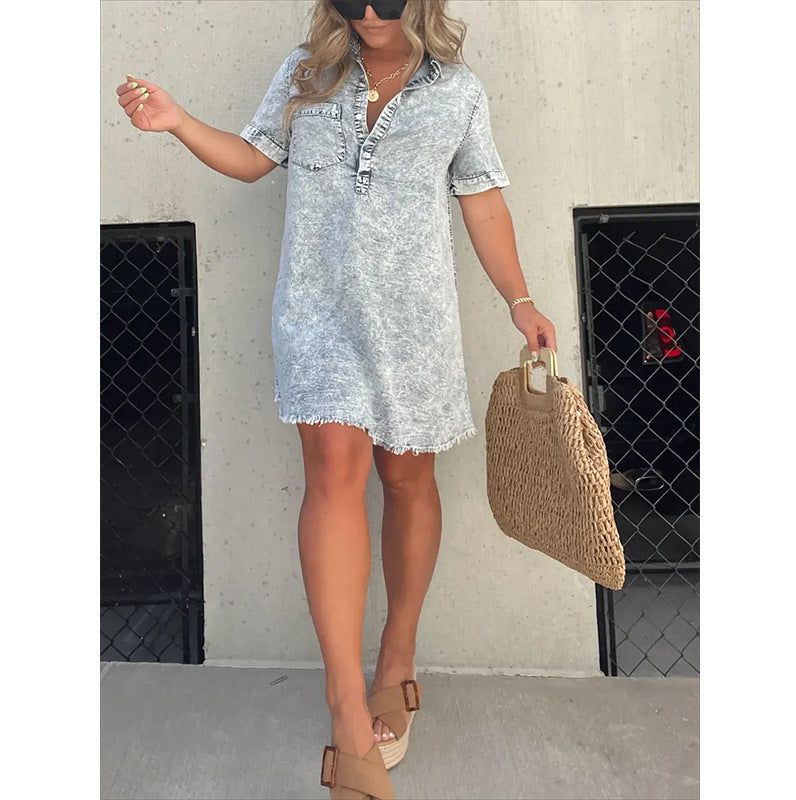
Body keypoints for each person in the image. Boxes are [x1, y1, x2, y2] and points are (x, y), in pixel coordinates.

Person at [116, 1, 556, 796]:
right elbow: (254, 158)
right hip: (316, 313)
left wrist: (520, 300)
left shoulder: (459, 91)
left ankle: (397, 657)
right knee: (332, 469)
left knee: (407, 479)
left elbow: (483, 200)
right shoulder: (305, 72)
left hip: (414, 320)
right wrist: (178, 121)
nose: (369, 12)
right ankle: (346, 706)